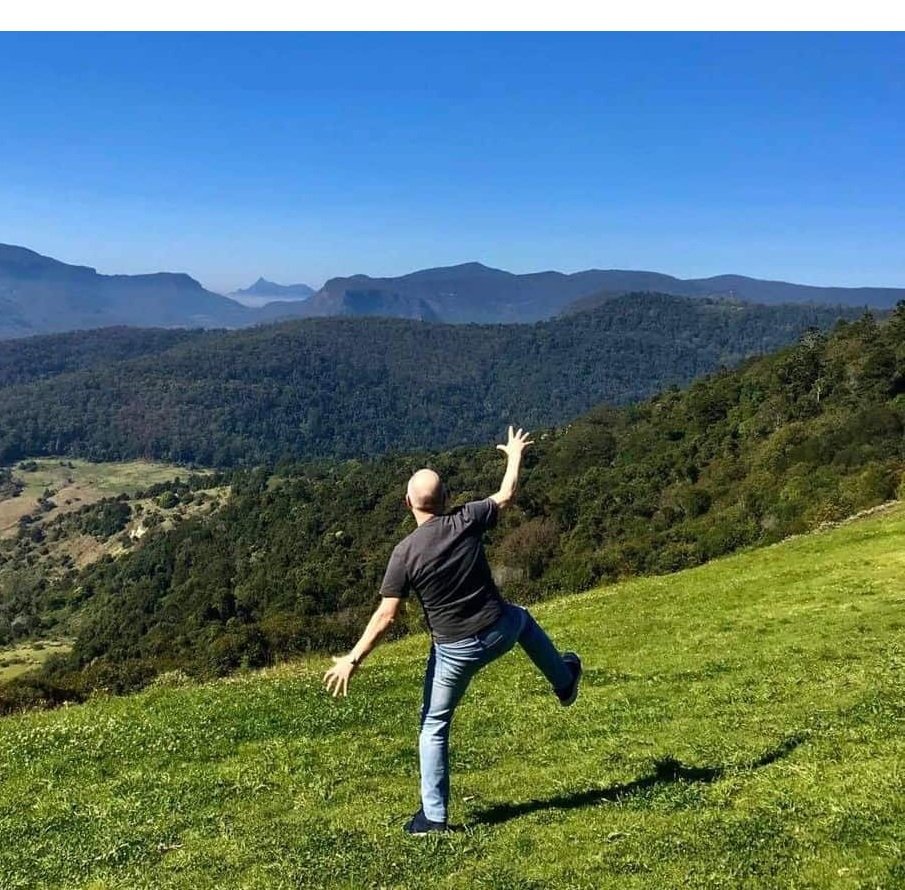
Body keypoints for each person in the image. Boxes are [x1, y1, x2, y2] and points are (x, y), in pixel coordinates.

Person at [322, 426, 582, 835]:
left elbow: (387, 614)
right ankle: (565, 682)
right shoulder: (466, 518)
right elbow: (507, 494)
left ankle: (434, 818)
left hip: (455, 651)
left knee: (434, 726)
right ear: (445, 499)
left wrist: (353, 660)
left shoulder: (404, 553)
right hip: (500, 629)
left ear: (408, 503)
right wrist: (514, 454)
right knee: (525, 621)